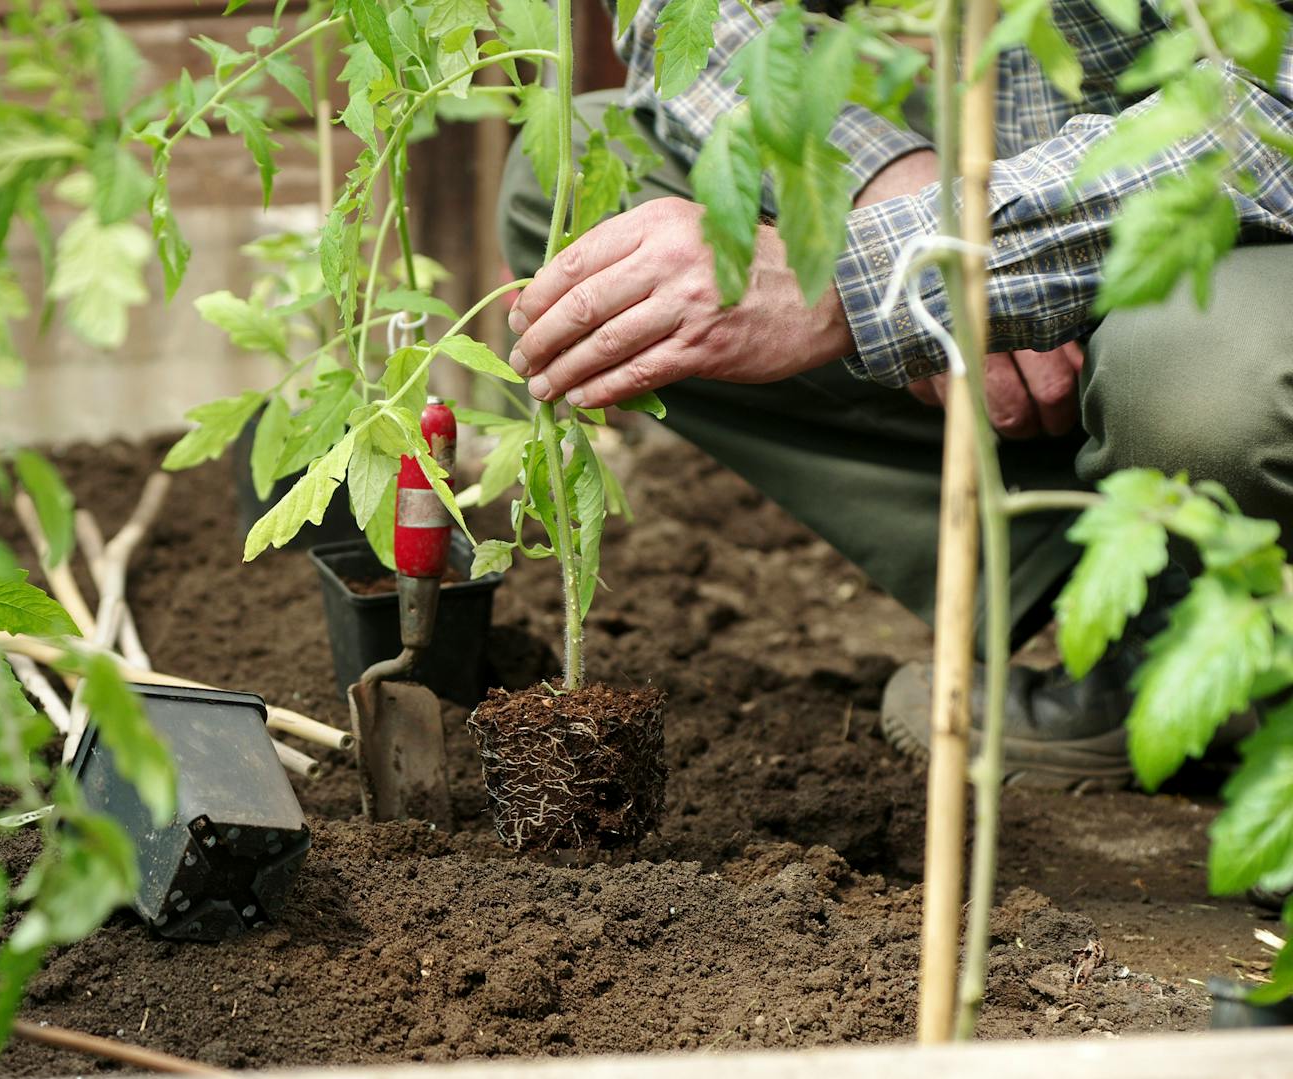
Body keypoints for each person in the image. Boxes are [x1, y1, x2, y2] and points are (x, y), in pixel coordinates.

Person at [497, 0, 1293, 789]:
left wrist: (905, 269)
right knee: (588, 198)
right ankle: (1146, 618)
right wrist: (883, 179)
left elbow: (1277, 111)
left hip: (1246, 214)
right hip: (1016, 167)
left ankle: (1258, 656)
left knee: (1194, 384)